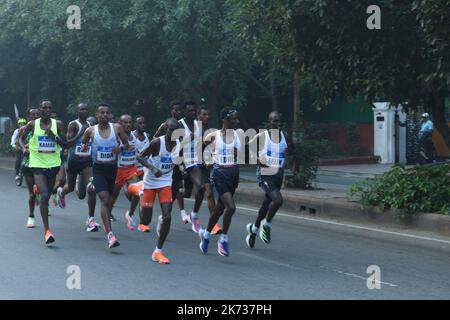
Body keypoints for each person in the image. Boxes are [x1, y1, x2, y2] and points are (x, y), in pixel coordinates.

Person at [19, 100, 82, 244]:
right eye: (44, 107)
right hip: (37, 164)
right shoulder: (33, 124)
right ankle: (47, 231)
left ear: (51, 109)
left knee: (51, 191)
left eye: (49, 107)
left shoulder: (57, 124)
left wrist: (54, 136)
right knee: (45, 195)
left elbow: (66, 143)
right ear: (40, 109)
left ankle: (39, 192)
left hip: (53, 164)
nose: (47, 109)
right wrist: (23, 148)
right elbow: (21, 138)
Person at [80, 104, 130, 249]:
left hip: (113, 169)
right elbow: (83, 142)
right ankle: (110, 236)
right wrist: (84, 146)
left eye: (107, 113)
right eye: (102, 113)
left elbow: (127, 144)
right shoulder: (90, 131)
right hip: (99, 169)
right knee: (105, 199)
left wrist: (119, 148)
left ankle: (92, 185)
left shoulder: (117, 129)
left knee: (109, 199)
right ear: (97, 114)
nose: (105, 115)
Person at [137, 118, 182, 264]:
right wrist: (152, 168)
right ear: (165, 129)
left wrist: (182, 169)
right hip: (150, 182)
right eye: (169, 130)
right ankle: (138, 191)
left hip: (165, 183)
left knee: (167, 216)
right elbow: (139, 157)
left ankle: (158, 251)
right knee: (145, 220)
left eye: (175, 131)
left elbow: (176, 161)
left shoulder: (179, 144)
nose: (172, 133)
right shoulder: (157, 142)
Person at [198, 107, 242, 257]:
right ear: (225, 120)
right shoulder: (213, 136)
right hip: (219, 174)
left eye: (237, 119)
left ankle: (206, 235)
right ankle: (223, 239)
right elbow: (202, 148)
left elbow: (238, 155)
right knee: (231, 207)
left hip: (233, 173)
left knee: (218, 209)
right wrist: (208, 159)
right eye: (234, 119)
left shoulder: (238, 136)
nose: (237, 121)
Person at [245, 111, 289, 248]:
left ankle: (254, 229)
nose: (278, 124)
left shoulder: (285, 136)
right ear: (269, 122)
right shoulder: (262, 136)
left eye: (280, 121)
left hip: (278, 174)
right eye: (275, 121)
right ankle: (266, 224)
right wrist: (258, 159)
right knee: (278, 200)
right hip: (265, 173)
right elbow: (247, 148)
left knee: (266, 204)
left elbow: (291, 150)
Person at [61, 103, 99, 232]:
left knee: (91, 188)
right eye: (81, 109)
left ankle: (91, 219)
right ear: (77, 111)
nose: (84, 111)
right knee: (71, 188)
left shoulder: (91, 126)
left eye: (86, 109)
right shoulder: (73, 124)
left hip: (87, 161)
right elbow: (68, 143)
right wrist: (81, 132)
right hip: (74, 160)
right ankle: (62, 192)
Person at [153, 100, 188, 224]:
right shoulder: (165, 125)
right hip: (165, 161)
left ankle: (166, 214)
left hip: (177, 160)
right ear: (171, 110)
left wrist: (183, 166)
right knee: (171, 188)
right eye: (175, 109)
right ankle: (165, 215)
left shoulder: (183, 126)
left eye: (179, 110)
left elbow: (182, 146)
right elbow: (154, 139)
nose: (177, 112)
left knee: (176, 189)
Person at [108, 114, 140, 231]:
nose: (128, 124)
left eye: (130, 122)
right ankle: (107, 214)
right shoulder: (116, 137)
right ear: (120, 124)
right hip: (118, 170)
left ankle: (130, 214)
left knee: (137, 191)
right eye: (125, 122)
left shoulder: (135, 136)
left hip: (131, 168)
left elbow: (139, 152)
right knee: (113, 196)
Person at [197, 106, 222, 235]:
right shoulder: (194, 129)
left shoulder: (211, 131)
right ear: (198, 116)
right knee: (186, 191)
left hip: (204, 165)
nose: (207, 117)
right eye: (204, 114)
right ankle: (180, 196)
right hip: (192, 164)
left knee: (209, 192)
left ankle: (214, 225)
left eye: (208, 115)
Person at [18, 109, 40, 228]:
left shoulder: (44, 128)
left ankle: (39, 195)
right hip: (28, 163)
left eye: (37, 114)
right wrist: (24, 148)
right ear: (28, 116)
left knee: (40, 190)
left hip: (42, 163)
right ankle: (31, 216)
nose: (35, 116)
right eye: (33, 115)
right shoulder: (23, 129)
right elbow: (18, 144)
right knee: (31, 193)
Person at [11, 118, 27, 183]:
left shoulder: (28, 130)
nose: (22, 125)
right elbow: (12, 142)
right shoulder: (16, 131)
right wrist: (16, 147)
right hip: (19, 149)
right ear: (18, 125)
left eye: (23, 124)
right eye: (20, 124)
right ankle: (17, 174)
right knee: (18, 160)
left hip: (27, 148)